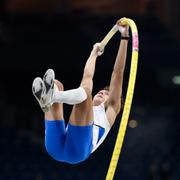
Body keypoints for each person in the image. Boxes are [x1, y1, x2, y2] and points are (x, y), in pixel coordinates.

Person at [32, 18, 129, 164]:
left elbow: (118, 72)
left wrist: (124, 37)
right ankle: (52, 96)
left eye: (106, 94)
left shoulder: (110, 111)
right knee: (57, 83)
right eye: (102, 91)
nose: (102, 92)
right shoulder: (85, 99)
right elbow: (88, 75)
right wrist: (93, 54)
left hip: (78, 151)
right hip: (55, 146)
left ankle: (54, 96)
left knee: (85, 95)